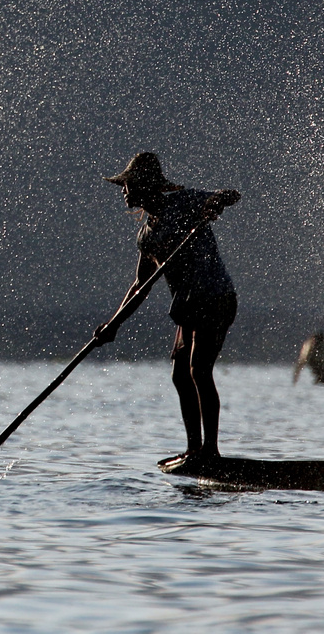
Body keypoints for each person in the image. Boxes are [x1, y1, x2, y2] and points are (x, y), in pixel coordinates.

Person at [93, 151, 240, 465]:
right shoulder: (146, 236)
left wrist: (214, 205)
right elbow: (140, 287)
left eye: (128, 183)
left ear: (145, 185)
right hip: (188, 306)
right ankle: (193, 448)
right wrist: (113, 325)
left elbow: (229, 195)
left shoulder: (185, 203)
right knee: (179, 375)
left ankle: (210, 451)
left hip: (214, 297)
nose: (123, 190)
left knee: (199, 369)